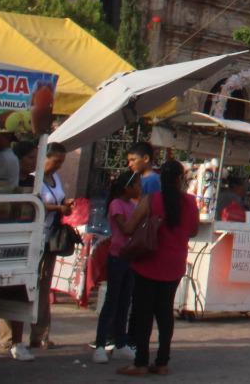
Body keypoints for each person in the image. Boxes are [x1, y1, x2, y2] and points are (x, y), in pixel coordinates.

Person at [119, 159, 199, 376]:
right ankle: (162, 361)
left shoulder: (151, 199)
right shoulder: (191, 202)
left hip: (148, 261)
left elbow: (129, 227)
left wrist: (116, 215)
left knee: (143, 313)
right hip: (175, 263)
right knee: (165, 312)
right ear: (180, 179)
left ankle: (141, 362)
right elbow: (193, 231)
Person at [11, 141, 70, 356]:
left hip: (50, 239)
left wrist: (65, 206)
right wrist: (56, 207)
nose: (58, 167)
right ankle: (9, 338)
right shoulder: (32, 179)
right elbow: (31, 203)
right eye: (56, 162)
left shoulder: (54, 178)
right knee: (20, 288)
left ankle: (40, 336)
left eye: (62, 163)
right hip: (32, 238)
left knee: (43, 287)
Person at [93, 171, 142, 364]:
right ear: (127, 188)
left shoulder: (133, 205)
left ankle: (120, 343)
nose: (139, 188)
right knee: (111, 302)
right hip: (117, 258)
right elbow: (126, 228)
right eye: (136, 185)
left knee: (124, 303)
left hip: (131, 258)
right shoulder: (117, 205)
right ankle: (100, 344)